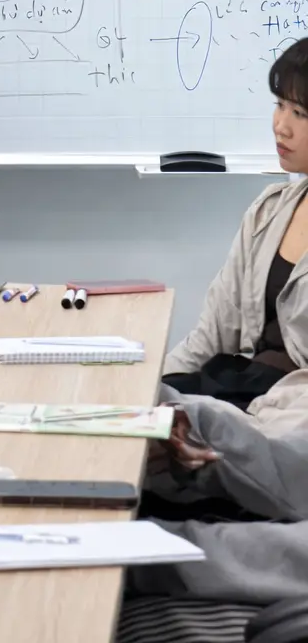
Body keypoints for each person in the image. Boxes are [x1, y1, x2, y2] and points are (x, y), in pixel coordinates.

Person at [161, 36, 308, 410]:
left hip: (289, 415)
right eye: (279, 106)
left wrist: (224, 423)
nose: (281, 126)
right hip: (240, 391)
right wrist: (151, 391)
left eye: (300, 114)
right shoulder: (268, 211)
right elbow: (212, 333)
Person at [113, 394, 308, 642]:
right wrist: (196, 428)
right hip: (228, 571)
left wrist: (140, 547)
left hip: (257, 610)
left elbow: (288, 553)